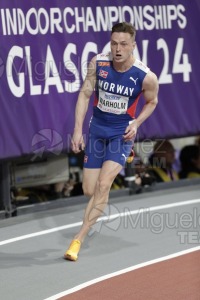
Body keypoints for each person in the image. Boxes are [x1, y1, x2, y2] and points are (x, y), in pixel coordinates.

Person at [64, 22, 159, 261]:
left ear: (133, 46)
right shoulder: (99, 63)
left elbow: (152, 102)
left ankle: (78, 239)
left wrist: (136, 123)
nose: (117, 49)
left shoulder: (145, 76)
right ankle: (121, 163)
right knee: (89, 190)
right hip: (97, 131)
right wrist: (77, 130)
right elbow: (85, 94)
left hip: (121, 135)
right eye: (114, 43)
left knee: (104, 185)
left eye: (123, 44)